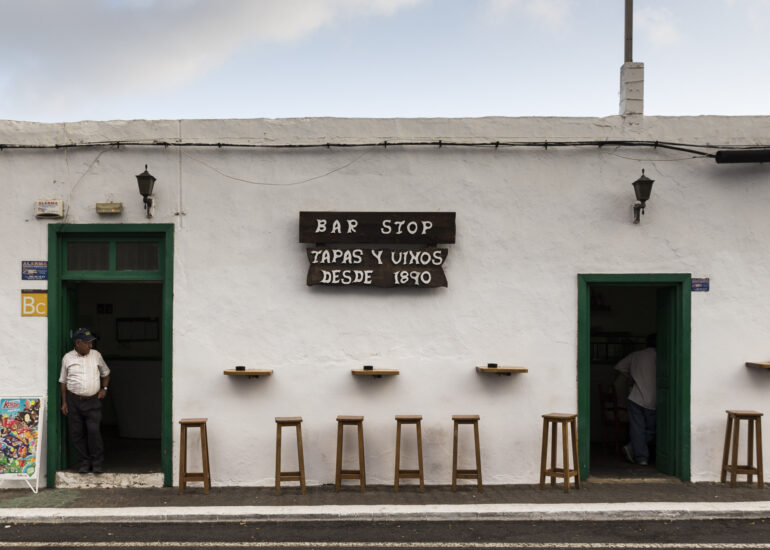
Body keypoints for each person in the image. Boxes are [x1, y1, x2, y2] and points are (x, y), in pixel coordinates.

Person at [59, 328, 111, 474]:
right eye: (87, 343)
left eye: (91, 343)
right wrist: (64, 402)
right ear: (77, 343)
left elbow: (106, 373)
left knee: (94, 431)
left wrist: (104, 389)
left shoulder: (96, 355)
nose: (90, 346)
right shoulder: (67, 358)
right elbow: (62, 381)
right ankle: (83, 463)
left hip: (93, 401)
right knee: (77, 433)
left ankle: (97, 463)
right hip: (73, 400)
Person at [614, 333, 656, 466]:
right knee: (652, 429)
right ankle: (635, 451)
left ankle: (640, 457)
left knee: (637, 428)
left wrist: (631, 378)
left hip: (635, 397)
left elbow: (619, 366)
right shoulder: (662, 356)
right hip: (654, 399)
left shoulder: (636, 355)